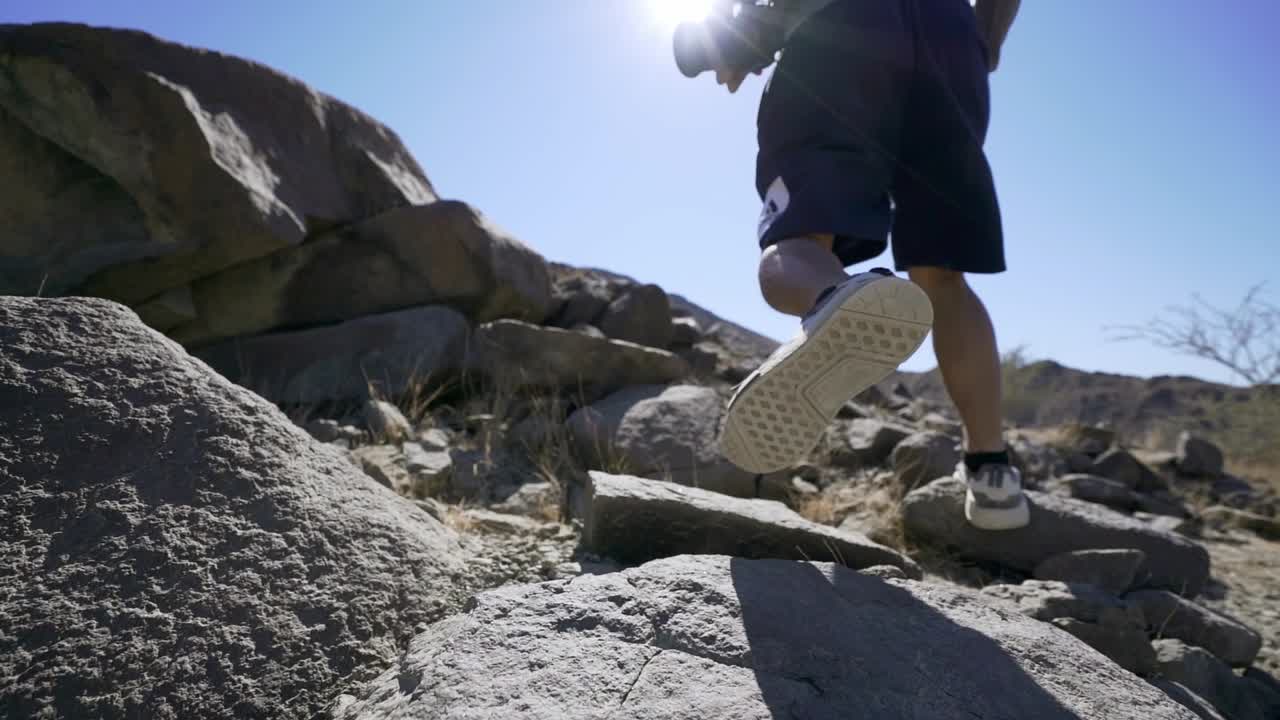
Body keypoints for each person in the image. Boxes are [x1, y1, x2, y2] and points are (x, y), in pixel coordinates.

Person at [707, 0, 1029, 530]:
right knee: (942, 273)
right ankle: (992, 474)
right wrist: (983, 40)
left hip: (842, 20)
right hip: (951, 36)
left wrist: (745, 33)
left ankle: (834, 301)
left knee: (803, 236)